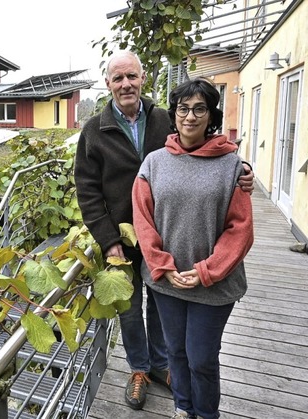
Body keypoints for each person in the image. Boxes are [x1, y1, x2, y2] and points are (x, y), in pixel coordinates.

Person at [74, 50, 254, 410]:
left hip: (169, 233)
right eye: (117, 78)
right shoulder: (95, 129)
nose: (125, 84)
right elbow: (87, 189)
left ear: (142, 79)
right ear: (108, 83)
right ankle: (140, 369)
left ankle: (163, 365)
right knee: (129, 310)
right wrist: (109, 240)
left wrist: (241, 169)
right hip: (123, 239)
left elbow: (200, 150)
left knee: (161, 306)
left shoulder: (164, 118)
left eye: (132, 76)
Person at [131, 77, 254, 419]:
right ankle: (183, 407)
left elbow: (240, 229)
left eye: (200, 109)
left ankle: (206, 413)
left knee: (201, 358)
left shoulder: (232, 166)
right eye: (183, 108)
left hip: (214, 284)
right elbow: (143, 220)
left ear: (211, 115)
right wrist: (163, 266)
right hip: (166, 281)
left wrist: (205, 272)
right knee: (175, 352)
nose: (190, 116)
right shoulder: (154, 163)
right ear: (174, 114)